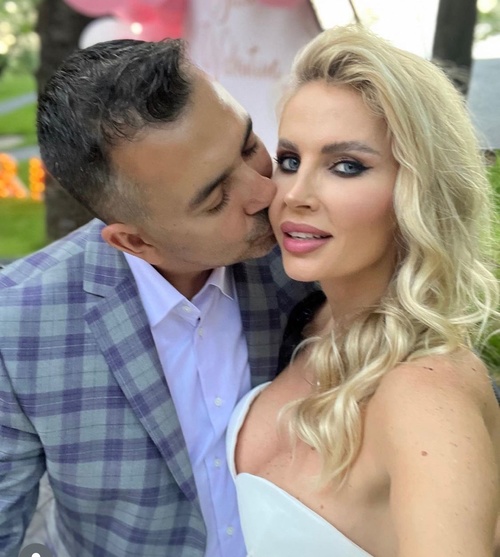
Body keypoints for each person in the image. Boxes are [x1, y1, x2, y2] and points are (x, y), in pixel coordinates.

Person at [0, 39, 318, 557]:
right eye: (216, 198)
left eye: (247, 146)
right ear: (135, 242)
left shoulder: (312, 257)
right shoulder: (16, 328)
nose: (266, 193)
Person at [228, 24, 500, 557]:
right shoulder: (303, 319)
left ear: (416, 191)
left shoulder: (425, 394)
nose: (295, 194)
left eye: (346, 166)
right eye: (290, 160)